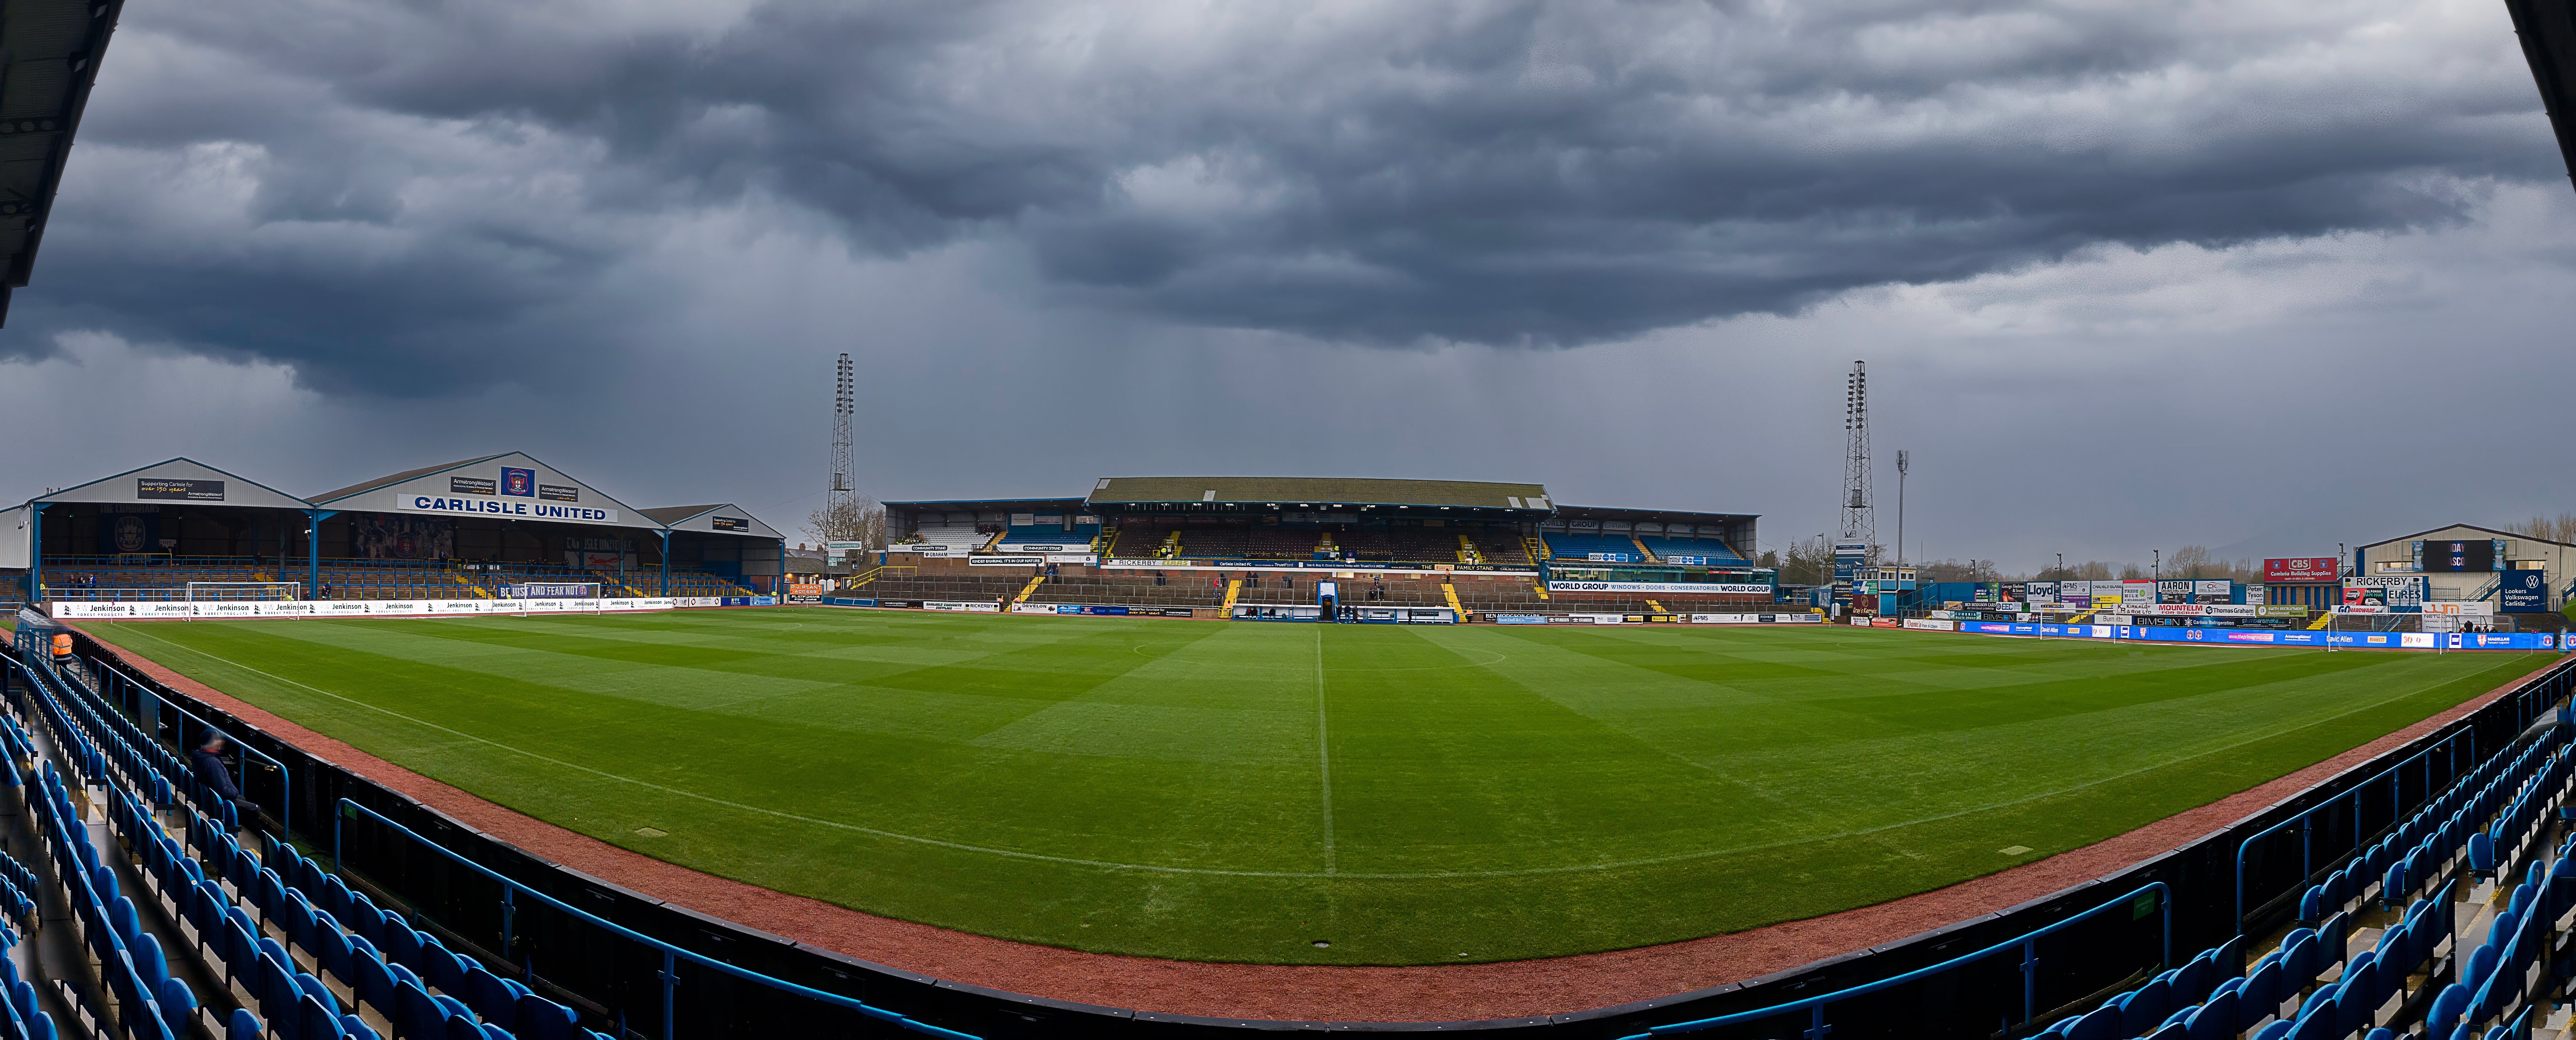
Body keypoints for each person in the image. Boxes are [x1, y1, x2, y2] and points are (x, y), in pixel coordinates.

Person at [191, 735, 253, 815]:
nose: (220, 742)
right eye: (217, 740)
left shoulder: (201, 756)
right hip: (220, 803)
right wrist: (234, 793)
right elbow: (222, 790)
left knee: (243, 800)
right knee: (255, 809)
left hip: (211, 800)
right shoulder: (212, 761)